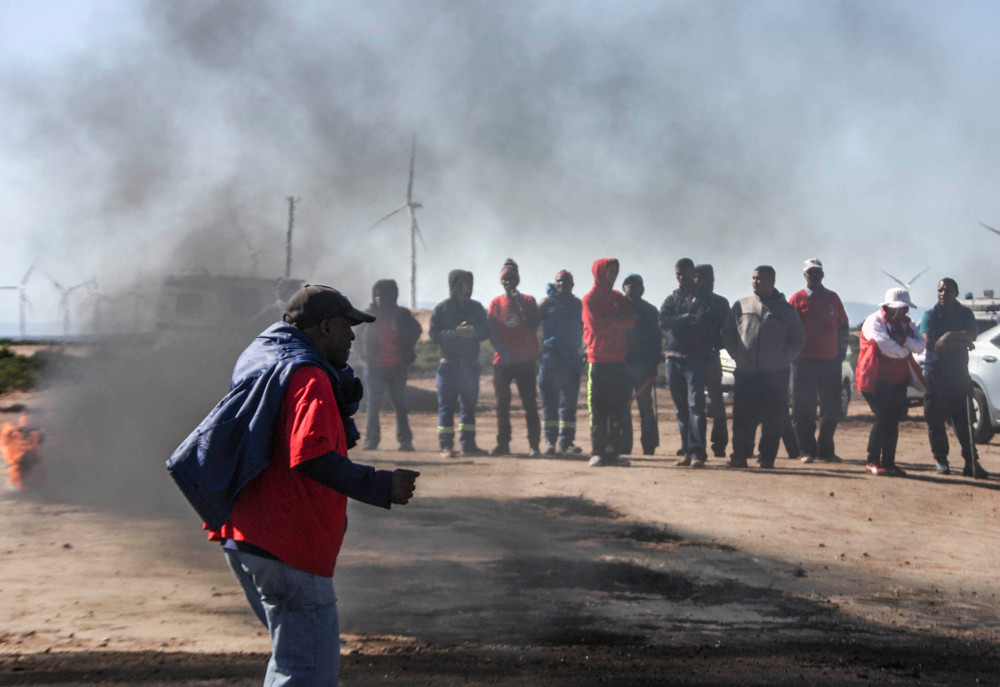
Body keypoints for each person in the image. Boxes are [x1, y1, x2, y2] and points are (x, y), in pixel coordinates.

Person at [167, 284, 419, 686]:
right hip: (287, 545)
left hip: (248, 537)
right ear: (325, 327)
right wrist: (380, 485)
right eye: (347, 326)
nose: (353, 337)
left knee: (291, 663)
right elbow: (311, 454)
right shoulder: (309, 375)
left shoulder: (266, 357)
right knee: (307, 673)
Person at [721, 265, 805, 469]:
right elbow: (728, 332)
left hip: (775, 374)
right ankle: (739, 456)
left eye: (759, 279)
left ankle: (767, 458)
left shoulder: (786, 310)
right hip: (746, 372)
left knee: (773, 419)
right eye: (753, 278)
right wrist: (737, 356)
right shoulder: (741, 305)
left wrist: (782, 360)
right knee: (742, 417)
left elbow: (798, 340)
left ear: (771, 282)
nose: (754, 282)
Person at [920, 278, 990, 477]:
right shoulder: (930, 315)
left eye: (947, 290)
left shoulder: (965, 313)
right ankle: (941, 460)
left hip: (958, 374)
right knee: (935, 420)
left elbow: (973, 335)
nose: (943, 293)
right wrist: (962, 341)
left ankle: (971, 461)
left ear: (956, 293)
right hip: (935, 375)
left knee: (964, 420)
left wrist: (950, 336)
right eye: (940, 290)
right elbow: (930, 343)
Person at [856, 287, 925, 477]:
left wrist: (902, 339)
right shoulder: (874, 321)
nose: (905, 311)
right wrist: (904, 350)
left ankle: (889, 462)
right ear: (890, 307)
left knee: (893, 420)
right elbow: (883, 344)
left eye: (906, 308)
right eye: (902, 308)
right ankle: (872, 461)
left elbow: (920, 345)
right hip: (874, 379)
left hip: (897, 379)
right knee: (884, 417)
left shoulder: (906, 325)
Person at [788, 259, 850, 464]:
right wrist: (793, 355)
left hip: (829, 362)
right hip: (803, 363)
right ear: (804, 275)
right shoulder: (796, 300)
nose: (813, 276)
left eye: (817, 272)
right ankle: (806, 450)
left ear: (822, 274)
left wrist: (839, 354)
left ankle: (826, 449)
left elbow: (843, 327)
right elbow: (788, 330)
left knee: (831, 408)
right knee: (803, 408)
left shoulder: (833, 298)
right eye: (810, 273)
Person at [429, 269, 490, 457]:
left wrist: (474, 332)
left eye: (471, 282)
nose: (469, 287)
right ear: (455, 285)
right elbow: (433, 335)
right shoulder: (442, 309)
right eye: (465, 283)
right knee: (446, 407)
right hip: (449, 366)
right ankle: (446, 446)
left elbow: (486, 331)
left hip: (470, 366)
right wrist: (455, 333)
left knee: (469, 408)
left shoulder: (477, 308)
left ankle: (468, 444)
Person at [582, 258, 636, 467]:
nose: (612, 276)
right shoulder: (589, 299)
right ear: (600, 272)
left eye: (615, 272)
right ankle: (598, 451)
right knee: (598, 408)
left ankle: (614, 452)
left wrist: (609, 321)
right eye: (609, 272)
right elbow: (596, 327)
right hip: (598, 361)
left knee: (618, 409)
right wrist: (616, 323)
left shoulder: (618, 297)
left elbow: (630, 321)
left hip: (618, 361)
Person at [659, 258, 714, 467]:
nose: (680, 277)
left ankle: (698, 452)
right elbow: (662, 320)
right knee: (680, 408)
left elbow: (702, 322)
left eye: (684, 273)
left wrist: (679, 320)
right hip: (673, 358)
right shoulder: (672, 298)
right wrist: (684, 318)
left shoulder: (704, 297)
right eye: (677, 274)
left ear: (693, 274)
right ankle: (686, 451)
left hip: (695, 360)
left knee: (696, 406)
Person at [487, 258, 542, 457]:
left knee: (529, 404)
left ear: (517, 280)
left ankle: (534, 445)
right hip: (503, 362)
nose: (509, 281)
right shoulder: (495, 303)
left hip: (525, 361)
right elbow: (491, 331)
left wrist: (519, 301)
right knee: (502, 405)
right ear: (501, 280)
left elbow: (533, 323)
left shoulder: (528, 301)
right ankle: (503, 444)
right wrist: (502, 350)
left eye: (512, 278)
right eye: (505, 278)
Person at [360, 279, 423, 452]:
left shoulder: (401, 314)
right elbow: (357, 337)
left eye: (384, 294)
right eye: (377, 294)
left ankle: (405, 441)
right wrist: (365, 357)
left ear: (393, 296)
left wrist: (406, 348)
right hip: (374, 368)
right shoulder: (368, 315)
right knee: (373, 406)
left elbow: (416, 330)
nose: (380, 298)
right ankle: (371, 441)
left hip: (397, 366)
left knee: (400, 405)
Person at [538, 270, 585, 455]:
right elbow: (530, 326)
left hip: (572, 358)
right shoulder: (546, 303)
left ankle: (566, 442)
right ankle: (550, 441)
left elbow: (586, 328)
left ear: (572, 285)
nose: (562, 285)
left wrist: (586, 351)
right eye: (559, 281)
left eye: (566, 282)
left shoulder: (578, 305)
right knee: (550, 401)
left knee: (570, 403)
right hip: (551, 357)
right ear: (554, 283)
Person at [622, 274, 661, 456]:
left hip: (643, 366)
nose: (632, 287)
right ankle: (624, 446)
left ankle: (649, 445)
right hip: (621, 364)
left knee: (646, 407)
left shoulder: (651, 311)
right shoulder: (617, 308)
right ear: (623, 287)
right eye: (628, 284)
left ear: (642, 289)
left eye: (636, 285)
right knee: (623, 406)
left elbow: (656, 341)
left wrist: (653, 366)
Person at [694, 264, 730, 459]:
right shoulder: (691, 300)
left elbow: (727, 329)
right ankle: (696, 444)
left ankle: (717, 445)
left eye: (700, 278)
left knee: (713, 403)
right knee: (699, 402)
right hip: (695, 358)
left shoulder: (718, 303)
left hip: (709, 356)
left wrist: (718, 344)